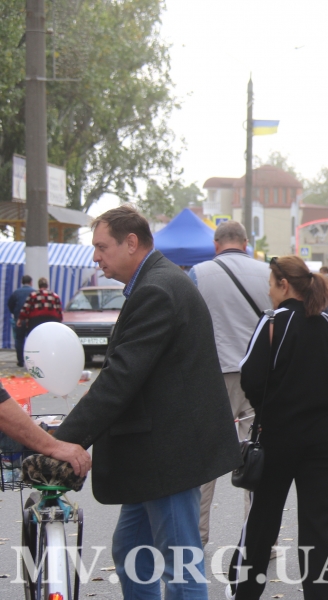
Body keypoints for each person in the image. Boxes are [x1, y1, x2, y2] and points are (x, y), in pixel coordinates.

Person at [54, 205, 241, 599]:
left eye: (102, 247)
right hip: (156, 453)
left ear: (131, 242)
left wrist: (61, 441)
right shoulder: (157, 281)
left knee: (180, 569)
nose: (95, 257)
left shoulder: (157, 288)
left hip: (168, 456)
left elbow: (120, 378)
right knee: (131, 553)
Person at [228, 256, 328, 600]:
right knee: (320, 526)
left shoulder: (272, 322)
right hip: (323, 439)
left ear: (284, 285)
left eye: (271, 284)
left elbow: (251, 377)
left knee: (262, 520)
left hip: (277, 437)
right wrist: (320, 402)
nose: (268, 291)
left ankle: (245, 592)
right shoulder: (327, 324)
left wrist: (272, 406)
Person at [189, 221, 271, 547]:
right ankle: (258, 536)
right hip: (259, 377)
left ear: (216, 244)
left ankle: (196, 536)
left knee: (204, 459)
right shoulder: (268, 272)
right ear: (246, 242)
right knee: (258, 455)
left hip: (214, 375)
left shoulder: (198, 274)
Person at [7, 275, 34, 367]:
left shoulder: (16, 292)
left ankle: (20, 361)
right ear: (31, 282)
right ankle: (31, 360)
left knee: (19, 340)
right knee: (31, 339)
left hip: (19, 318)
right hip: (31, 319)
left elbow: (10, 304)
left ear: (21, 282)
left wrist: (15, 313)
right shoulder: (34, 292)